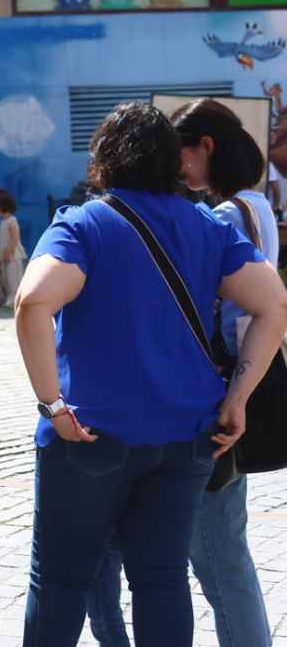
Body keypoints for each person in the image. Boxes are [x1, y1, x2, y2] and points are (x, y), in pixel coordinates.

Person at [15, 102, 287, 647]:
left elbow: (32, 302)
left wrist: (52, 404)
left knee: (62, 578)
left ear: (103, 157)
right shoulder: (208, 225)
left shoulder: (84, 223)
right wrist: (238, 398)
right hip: (186, 438)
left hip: (91, 435)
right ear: (172, 159)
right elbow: (273, 303)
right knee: (161, 581)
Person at [0, 189, 28, 305]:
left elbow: (15, 238)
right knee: (6, 277)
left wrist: (8, 252)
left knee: (14, 277)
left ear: (1, 207)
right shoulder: (3, 221)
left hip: (13, 255)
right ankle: (10, 297)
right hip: (6, 254)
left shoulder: (12, 221)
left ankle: (15, 298)